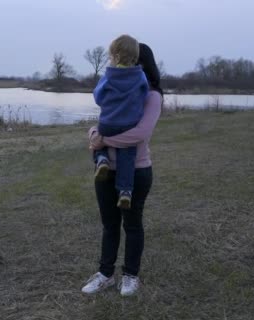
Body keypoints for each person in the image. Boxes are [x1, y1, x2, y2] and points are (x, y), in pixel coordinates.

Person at [82, 43, 163, 296]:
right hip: (105, 172)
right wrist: (94, 133)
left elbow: (140, 134)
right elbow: (103, 122)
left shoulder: (151, 95)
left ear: (141, 62)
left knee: (133, 225)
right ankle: (105, 274)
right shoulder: (117, 90)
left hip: (137, 171)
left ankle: (130, 275)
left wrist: (102, 140)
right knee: (109, 225)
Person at [93, 34, 149, 210]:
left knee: (99, 142)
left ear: (115, 56)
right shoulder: (140, 76)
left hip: (108, 123)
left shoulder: (109, 76)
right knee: (127, 154)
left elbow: (98, 96)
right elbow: (144, 95)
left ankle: (101, 160)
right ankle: (125, 191)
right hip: (128, 124)